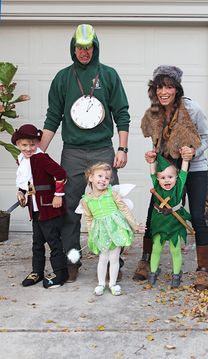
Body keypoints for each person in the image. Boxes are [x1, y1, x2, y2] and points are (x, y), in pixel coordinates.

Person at [39, 24, 131, 282]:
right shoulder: (62, 78)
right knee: (69, 208)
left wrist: (122, 148)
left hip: (103, 148)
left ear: (95, 47)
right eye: (79, 47)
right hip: (73, 152)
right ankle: (72, 261)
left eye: (88, 47)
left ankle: (116, 260)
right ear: (73, 48)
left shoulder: (109, 75)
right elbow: (52, 118)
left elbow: (122, 113)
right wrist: (37, 155)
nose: (84, 52)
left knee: (111, 206)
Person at [133, 65, 208, 291]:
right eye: (159, 87)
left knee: (196, 216)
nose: (163, 91)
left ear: (176, 89)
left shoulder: (192, 109)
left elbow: (206, 138)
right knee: (154, 213)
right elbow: (158, 143)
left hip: (194, 168)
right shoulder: (155, 112)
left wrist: (193, 152)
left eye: (168, 86)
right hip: (168, 170)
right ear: (154, 90)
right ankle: (146, 261)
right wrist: (153, 155)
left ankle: (203, 270)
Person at [11, 124, 68, 289]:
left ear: (37, 143)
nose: (28, 148)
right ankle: (37, 271)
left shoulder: (41, 158)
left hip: (48, 207)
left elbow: (61, 174)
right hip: (34, 208)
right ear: (18, 145)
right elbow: (28, 181)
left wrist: (58, 195)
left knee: (53, 241)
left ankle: (60, 272)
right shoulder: (22, 160)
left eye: (32, 144)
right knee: (37, 243)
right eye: (24, 145)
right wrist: (21, 193)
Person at [79, 162, 145, 296]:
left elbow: (124, 209)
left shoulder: (112, 194)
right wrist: (91, 234)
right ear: (91, 177)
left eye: (107, 178)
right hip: (101, 231)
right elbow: (89, 218)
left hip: (116, 229)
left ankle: (113, 284)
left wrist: (135, 224)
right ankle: (101, 283)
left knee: (114, 257)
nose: (103, 180)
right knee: (103, 257)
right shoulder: (86, 200)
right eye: (100, 176)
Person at [145, 152, 191, 288]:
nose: (167, 180)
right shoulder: (157, 187)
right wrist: (152, 162)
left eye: (170, 177)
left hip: (174, 224)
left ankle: (176, 276)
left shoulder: (178, 186)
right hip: (159, 222)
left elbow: (184, 172)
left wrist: (186, 160)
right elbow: (152, 174)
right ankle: (152, 274)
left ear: (176, 178)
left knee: (175, 250)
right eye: (163, 177)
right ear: (158, 179)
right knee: (156, 249)